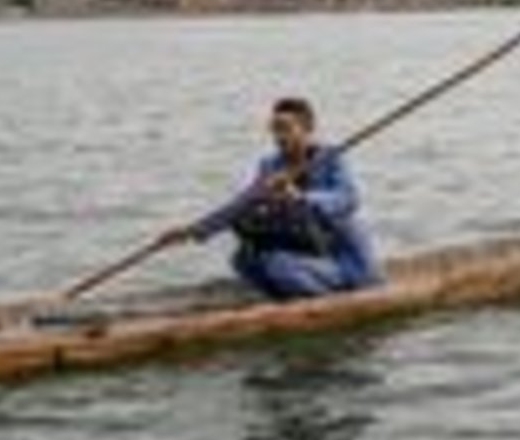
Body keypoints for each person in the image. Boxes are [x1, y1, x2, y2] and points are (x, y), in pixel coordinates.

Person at [155, 97, 382, 301]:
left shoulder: (330, 159)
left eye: (285, 129)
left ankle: (334, 299)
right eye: (275, 130)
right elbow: (241, 205)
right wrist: (191, 231)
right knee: (244, 260)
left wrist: (302, 197)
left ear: (308, 128)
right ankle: (291, 293)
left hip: (347, 264)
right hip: (311, 256)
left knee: (278, 265)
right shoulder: (271, 166)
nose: (279, 137)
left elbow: (348, 198)